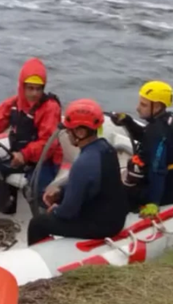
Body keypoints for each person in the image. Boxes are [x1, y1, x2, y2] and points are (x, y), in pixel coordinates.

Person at [0, 57, 62, 213]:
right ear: (22, 87)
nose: (34, 93)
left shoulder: (50, 108)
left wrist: (25, 154)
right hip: (18, 156)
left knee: (39, 190)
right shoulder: (14, 104)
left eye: (38, 89)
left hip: (44, 161)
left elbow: (48, 143)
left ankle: (47, 220)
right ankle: (0, 206)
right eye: (30, 88)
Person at [27, 99, 128, 246]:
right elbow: (89, 186)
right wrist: (60, 193)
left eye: (69, 130)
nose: (67, 134)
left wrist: (56, 211)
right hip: (112, 216)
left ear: (80, 132)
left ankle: (39, 258)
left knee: (38, 224)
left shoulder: (83, 163)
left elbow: (68, 212)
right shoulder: (106, 148)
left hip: (102, 226)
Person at [109, 81, 173, 218]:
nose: (137, 108)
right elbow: (147, 138)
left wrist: (153, 202)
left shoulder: (158, 131)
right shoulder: (172, 120)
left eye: (143, 105)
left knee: (112, 194)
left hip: (168, 192)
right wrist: (128, 121)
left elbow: (157, 169)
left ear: (157, 106)